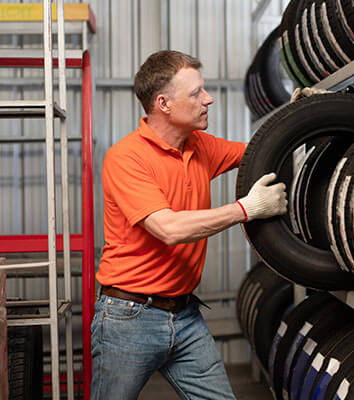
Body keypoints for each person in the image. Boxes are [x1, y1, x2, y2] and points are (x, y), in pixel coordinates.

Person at [90, 50, 287, 400]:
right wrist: (246, 209)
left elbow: (261, 150)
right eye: (196, 93)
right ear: (164, 103)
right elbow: (169, 229)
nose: (208, 99)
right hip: (128, 319)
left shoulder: (201, 146)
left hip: (184, 316)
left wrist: (296, 114)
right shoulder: (127, 158)